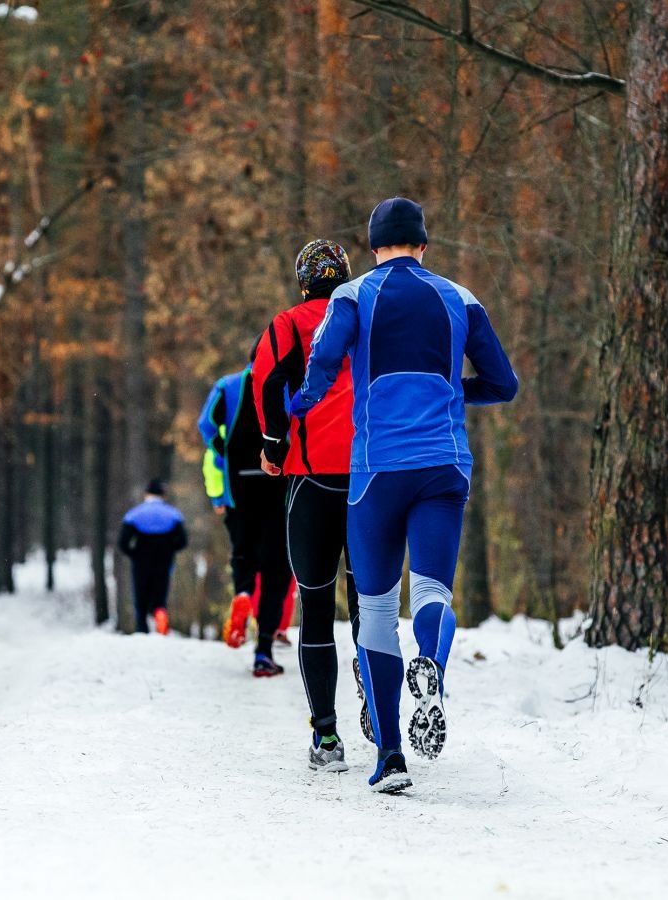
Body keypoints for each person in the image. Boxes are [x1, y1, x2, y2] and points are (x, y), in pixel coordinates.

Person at [289, 198, 518, 793]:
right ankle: (432, 673)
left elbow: (324, 361)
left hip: (376, 472)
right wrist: (451, 394)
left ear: (372, 246)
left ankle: (390, 756)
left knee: (378, 611)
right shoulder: (460, 297)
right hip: (444, 466)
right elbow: (504, 383)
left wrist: (303, 404)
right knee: (433, 591)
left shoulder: (354, 295)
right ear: (424, 242)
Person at [253, 238, 364, 773]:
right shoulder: (366, 312)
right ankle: (381, 716)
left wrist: (274, 445)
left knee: (316, 606)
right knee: (372, 602)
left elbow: (267, 382)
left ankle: (327, 738)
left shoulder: (288, 324)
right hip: (371, 474)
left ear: (302, 281)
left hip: (312, 476)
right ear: (345, 275)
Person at [198, 358, 294, 676]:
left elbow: (206, 424)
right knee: (277, 567)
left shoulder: (227, 386)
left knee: (243, 552)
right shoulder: (286, 382)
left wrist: (224, 449)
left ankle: (242, 592)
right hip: (278, 482)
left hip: (238, 483)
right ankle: (263, 649)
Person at [117, 479, 187, 636]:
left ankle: (142, 629)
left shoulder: (134, 514)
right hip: (164, 558)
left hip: (141, 558)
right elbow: (182, 541)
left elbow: (123, 543)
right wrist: (169, 549)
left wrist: (134, 554)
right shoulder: (173, 514)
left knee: (140, 595)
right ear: (163, 495)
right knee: (160, 593)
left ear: (146, 494)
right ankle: (160, 614)